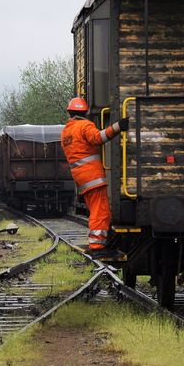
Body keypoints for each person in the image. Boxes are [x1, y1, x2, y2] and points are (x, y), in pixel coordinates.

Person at [61, 96, 129, 258]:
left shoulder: (66, 132)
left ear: (70, 113)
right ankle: (97, 245)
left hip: (81, 179)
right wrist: (118, 126)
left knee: (96, 211)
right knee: (101, 212)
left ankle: (101, 241)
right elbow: (98, 138)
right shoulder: (84, 125)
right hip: (93, 177)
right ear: (85, 112)